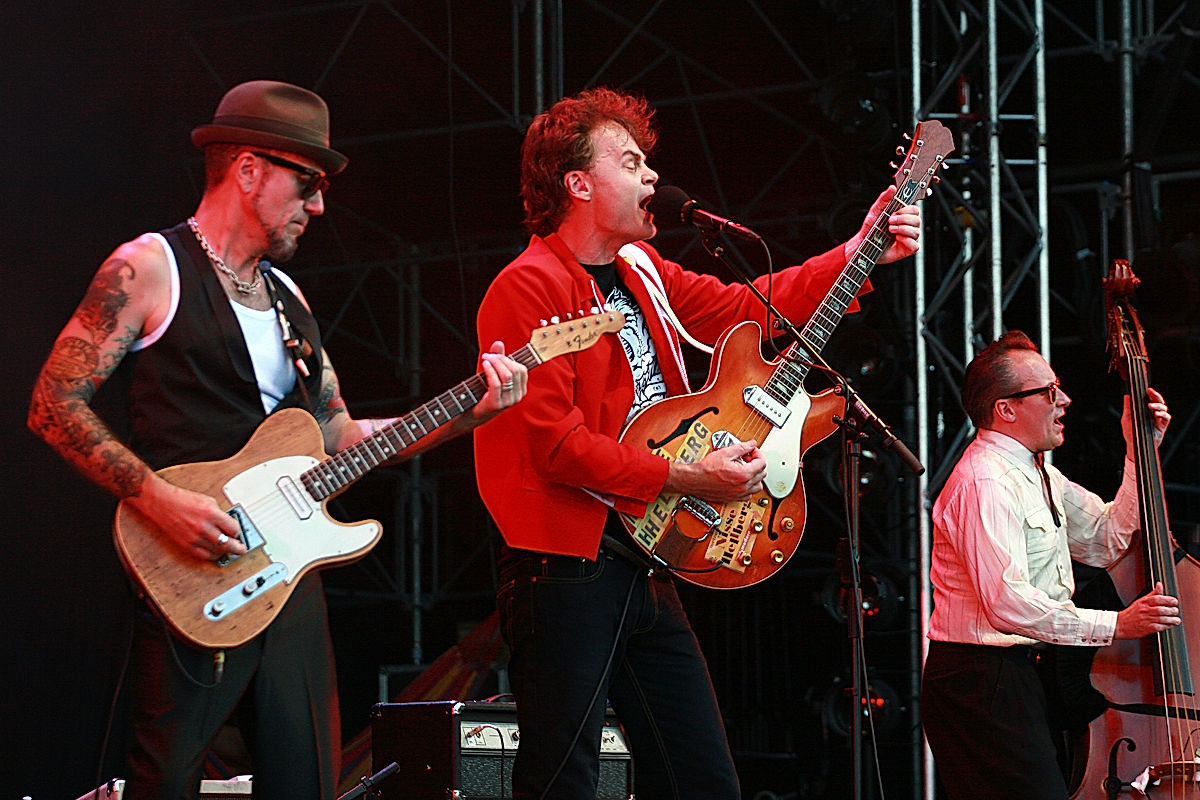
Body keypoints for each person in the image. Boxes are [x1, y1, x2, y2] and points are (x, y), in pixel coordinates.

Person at [26, 80, 528, 800]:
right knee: (164, 778)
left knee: (306, 779)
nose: (318, 205)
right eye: (308, 183)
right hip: (191, 565)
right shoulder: (149, 269)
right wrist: (160, 500)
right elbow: (53, 403)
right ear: (250, 170)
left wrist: (467, 413)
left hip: (289, 576)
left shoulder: (291, 302)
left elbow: (341, 436)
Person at [472, 86, 921, 799]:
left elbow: (750, 307)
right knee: (562, 779)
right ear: (579, 183)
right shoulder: (527, 286)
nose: (652, 176)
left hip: (649, 554)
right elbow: (558, 447)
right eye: (631, 161)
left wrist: (861, 249)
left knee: (703, 780)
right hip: (566, 567)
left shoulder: (643, 271)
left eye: (649, 162)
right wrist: (687, 476)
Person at [921, 329, 1177, 800]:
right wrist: (1119, 623)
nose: (1065, 400)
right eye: (1049, 391)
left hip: (1020, 672)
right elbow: (1007, 604)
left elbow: (1106, 539)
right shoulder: (986, 481)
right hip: (980, 678)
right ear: (1007, 408)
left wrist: (1141, 449)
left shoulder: (1038, 472)